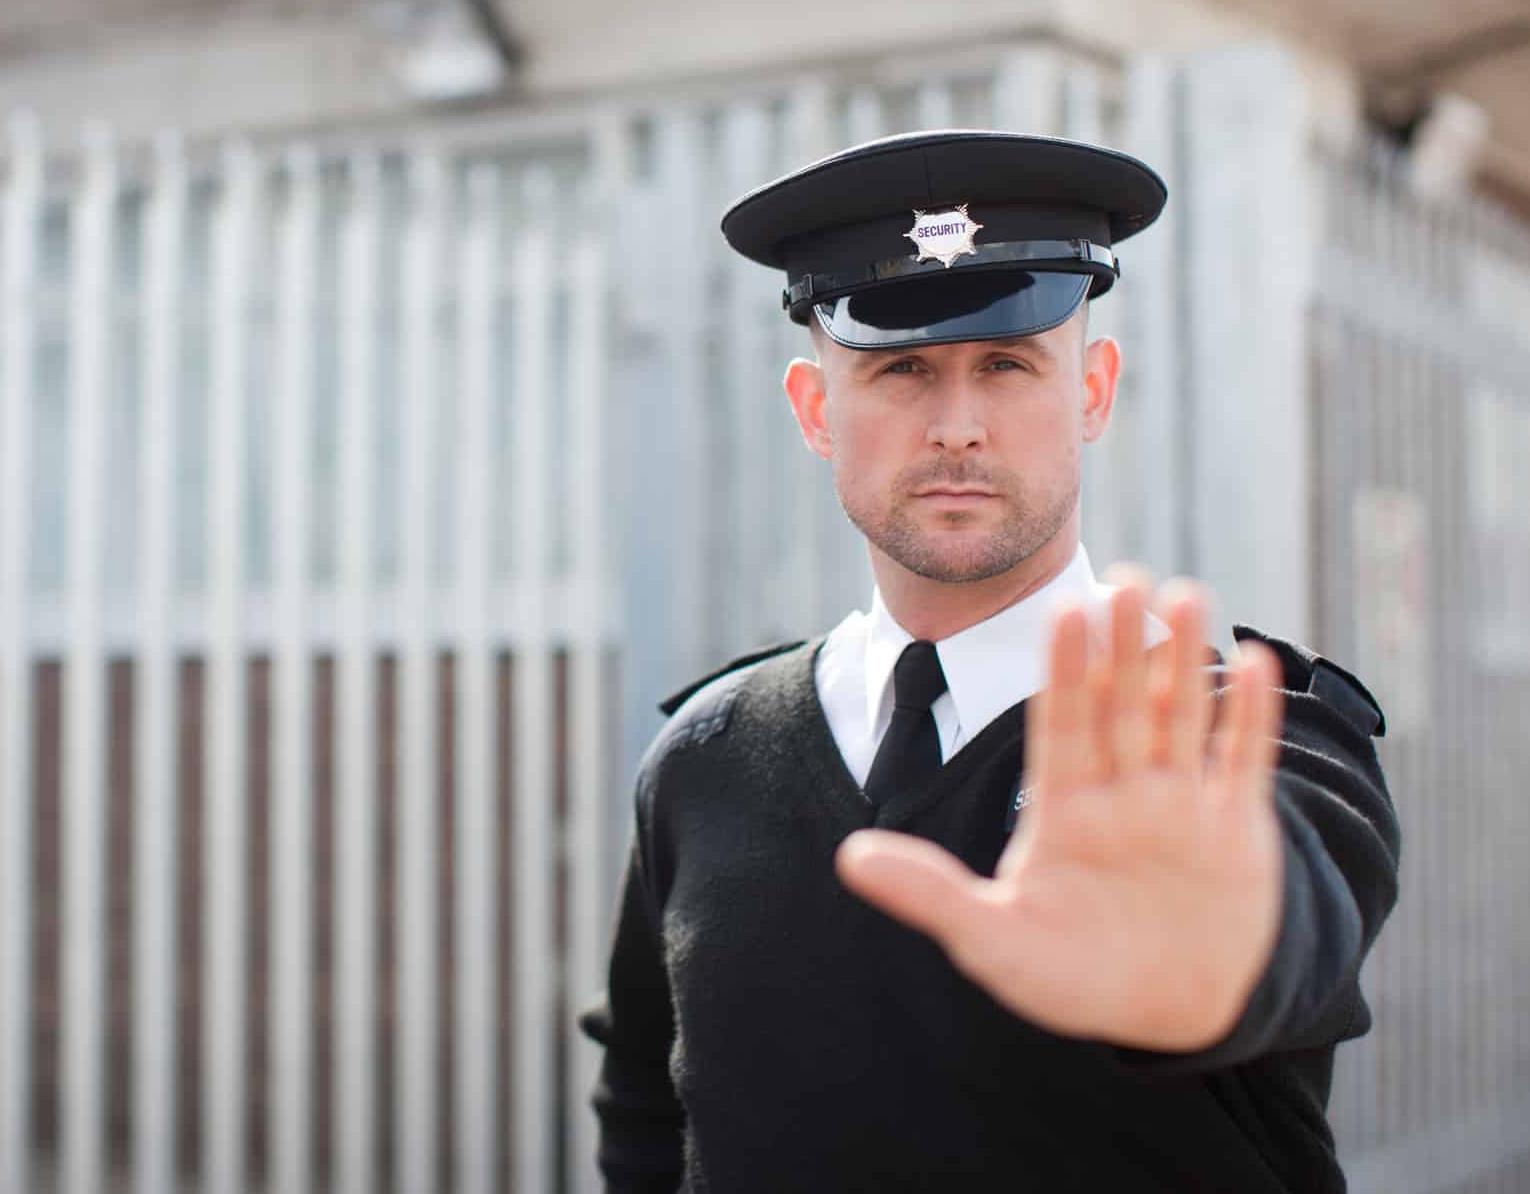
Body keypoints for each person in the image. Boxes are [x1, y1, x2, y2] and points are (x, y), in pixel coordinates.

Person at [578, 130, 1400, 1193]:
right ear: (817, 409)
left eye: (1008, 365)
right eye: (901, 368)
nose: (957, 425)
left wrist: (1219, 961)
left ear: (1094, 392)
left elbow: (1303, 914)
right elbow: (646, 1103)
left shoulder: (1240, 724)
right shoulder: (706, 750)